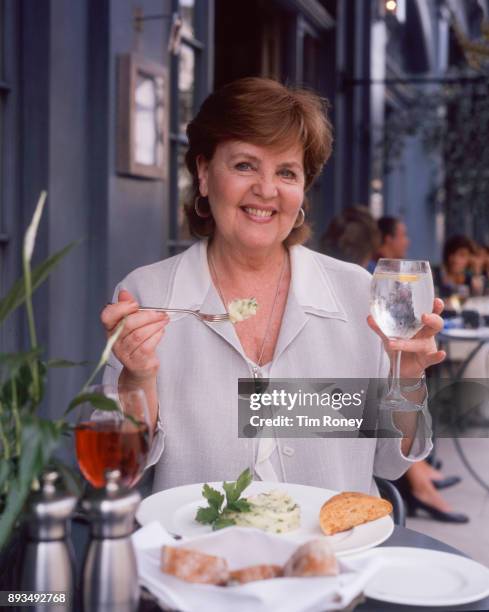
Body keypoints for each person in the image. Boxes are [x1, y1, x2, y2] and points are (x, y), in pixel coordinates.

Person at [100, 78, 445, 496]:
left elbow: (391, 461)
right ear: (204, 174)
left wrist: (405, 376)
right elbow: (120, 472)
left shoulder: (357, 293)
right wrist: (137, 382)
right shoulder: (148, 295)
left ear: (302, 191)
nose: (266, 190)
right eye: (245, 165)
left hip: (334, 553)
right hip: (201, 556)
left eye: (286, 172)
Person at [322, 208, 466, 521]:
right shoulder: (359, 287)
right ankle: (422, 485)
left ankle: (423, 478)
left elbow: (386, 459)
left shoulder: (361, 284)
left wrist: (408, 378)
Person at [433, 235, 475, 302]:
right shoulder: (434, 275)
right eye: (452, 254)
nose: (456, 259)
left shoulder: (469, 280)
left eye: (462, 255)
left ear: (469, 258)